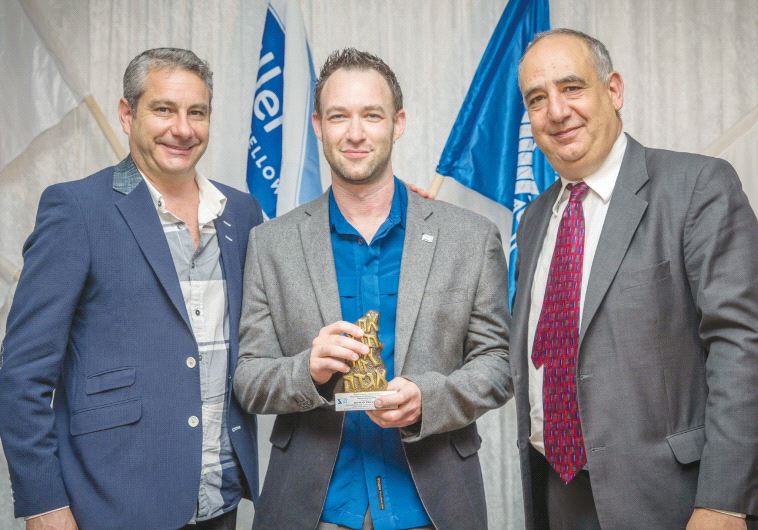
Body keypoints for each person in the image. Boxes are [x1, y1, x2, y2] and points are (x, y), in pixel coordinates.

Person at [233, 48, 512, 530]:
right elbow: (249, 378)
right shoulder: (270, 243)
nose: (356, 133)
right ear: (319, 125)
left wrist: (430, 397)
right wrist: (308, 371)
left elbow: (497, 366)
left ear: (397, 123)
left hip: (433, 505)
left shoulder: (469, 237)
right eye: (339, 116)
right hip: (312, 508)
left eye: (372, 115)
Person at [0, 48, 262, 529]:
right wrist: (43, 505)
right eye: (163, 109)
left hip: (221, 501)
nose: (182, 129)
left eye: (196, 112)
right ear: (127, 114)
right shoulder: (77, 210)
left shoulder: (242, 214)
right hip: (112, 504)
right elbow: (22, 376)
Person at [511, 28, 758, 529]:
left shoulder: (696, 187)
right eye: (538, 99)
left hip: (676, 502)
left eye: (572, 87)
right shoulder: (534, 219)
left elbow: (743, 346)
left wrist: (725, 500)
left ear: (614, 90)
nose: (556, 111)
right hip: (560, 495)